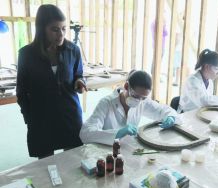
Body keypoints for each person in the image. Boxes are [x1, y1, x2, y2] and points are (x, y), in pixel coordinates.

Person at [16, 4, 87, 158]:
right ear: (42, 29)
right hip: (41, 120)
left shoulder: (73, 50)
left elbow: (78, 74)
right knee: (45, 167)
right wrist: (29, 118)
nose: (61, 34)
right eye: (55, 29)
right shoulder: (26, 55)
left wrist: (80, 82)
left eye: (64, 28)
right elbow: (21, 92)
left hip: (69, 116)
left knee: (72, 162)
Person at [79, 70, 182, 145]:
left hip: (129, 149)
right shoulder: (106, 103)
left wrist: (171, 117)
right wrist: (117, 133)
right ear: (127, 87)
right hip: (108, 151)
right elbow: (85, 133)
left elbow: (164, 110)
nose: (138, 101)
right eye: (136, 96)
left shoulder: (142, 102)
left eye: (143, 97)